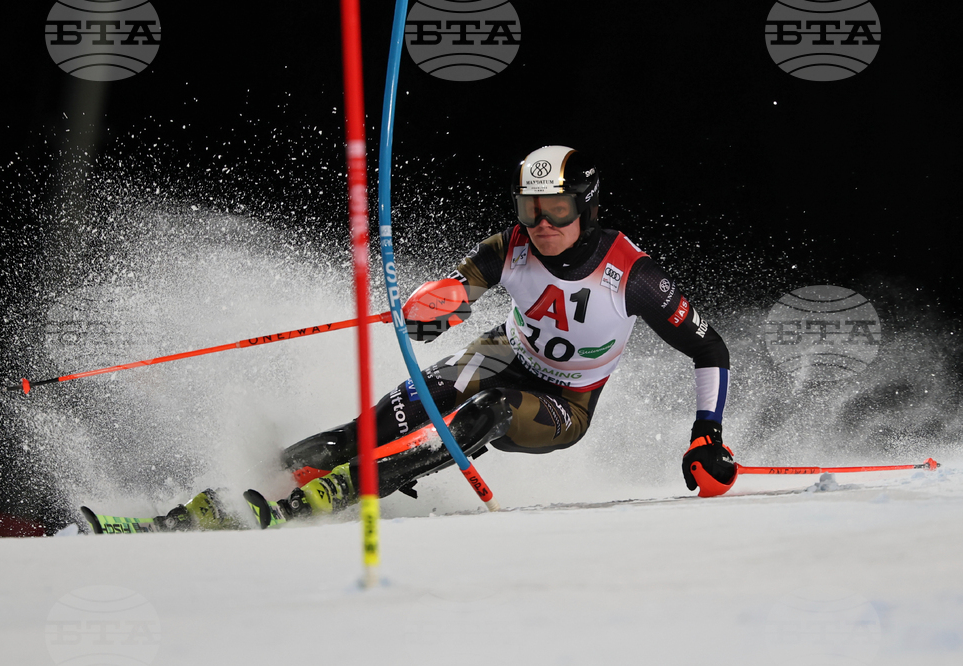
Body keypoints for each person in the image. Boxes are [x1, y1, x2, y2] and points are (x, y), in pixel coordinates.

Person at [157, 145, 737, 530]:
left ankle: (351, 490)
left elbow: (708, 347)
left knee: (490, 409)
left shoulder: (631, 274)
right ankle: (229, 498)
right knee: (376, 425)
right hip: (498, 352)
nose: (542, 225)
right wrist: (431, 310)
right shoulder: (507, 246)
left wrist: (705, 436)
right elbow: (458, 289)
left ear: (585, 206)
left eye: (557, 210)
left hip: (565, 401)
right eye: (529, 209)